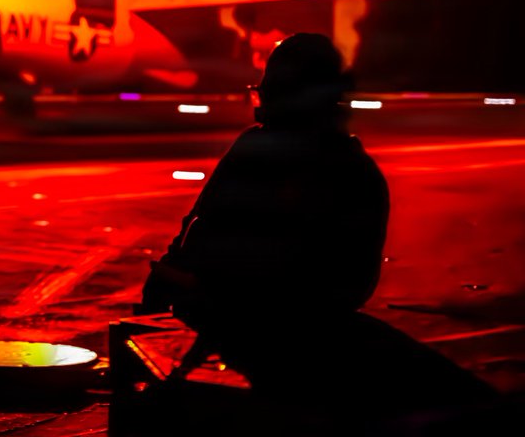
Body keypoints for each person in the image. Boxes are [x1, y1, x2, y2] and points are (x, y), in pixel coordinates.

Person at [135, 33, 499, 427]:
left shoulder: (264, 153)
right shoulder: (351, 169)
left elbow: (199, 239)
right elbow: (352, 285)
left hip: (269, 336)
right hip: (302, 336)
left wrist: (187, 289)